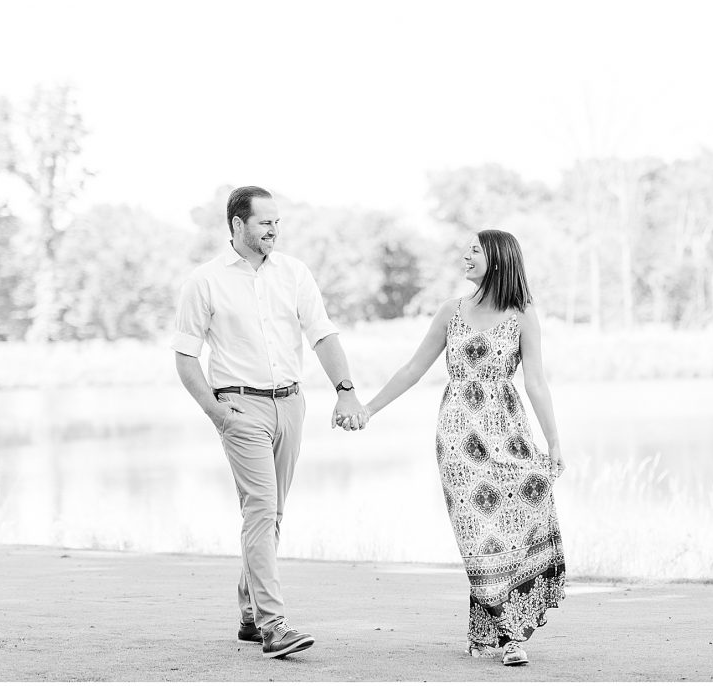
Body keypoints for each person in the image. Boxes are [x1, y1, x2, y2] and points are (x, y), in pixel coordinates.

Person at [171, 185, 369, 659]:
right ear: (237, 225)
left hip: (291, 404)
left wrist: (346, 391)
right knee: (261, 507)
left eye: (277, 222)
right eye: (264, 222)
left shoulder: (294, 273)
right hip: (241, 408)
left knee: (272, 514)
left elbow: (322, 335)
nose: (273, 230)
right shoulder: (205, 281)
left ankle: (247, 611)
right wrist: (216, 411)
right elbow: (185, 356)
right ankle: (273, 624)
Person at [364, 229, 567, 667]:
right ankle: (510, 633)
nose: (465, 256)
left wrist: (552, 440)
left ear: (497, 258)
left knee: (516, 521)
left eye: (474, 249)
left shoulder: (522, 313)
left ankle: (489, 632)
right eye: (467, 249)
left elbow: (535, 381)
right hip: (458, 436)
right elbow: (413, 369)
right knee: (477, 533)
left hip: (508, 431)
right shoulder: (450, 311)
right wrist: (368, 408)